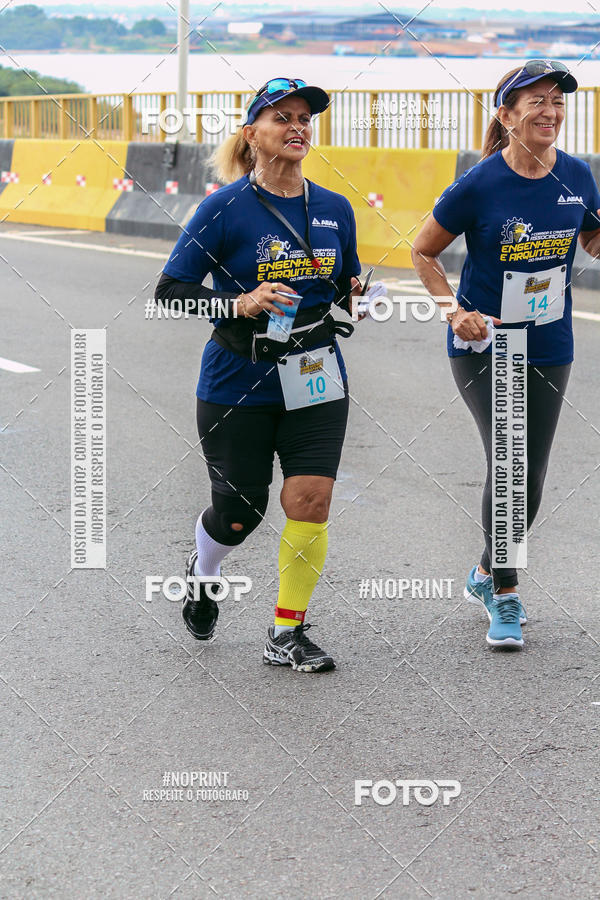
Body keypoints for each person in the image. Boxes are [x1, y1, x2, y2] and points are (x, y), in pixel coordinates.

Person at [155, 77, 380, 672]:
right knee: (240, 513)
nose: (298, 126)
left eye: (305, 117)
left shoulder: (333, 208)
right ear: (253, 134)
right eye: (282, 118)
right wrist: (239, 302)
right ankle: (204, 573)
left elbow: (342, 285)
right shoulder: (223, 208)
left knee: (311, 497)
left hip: (314, 371)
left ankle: (287, 631)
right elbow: (170, 292)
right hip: (238, 378)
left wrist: (357, 293)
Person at [411, 60, 600, 649]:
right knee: (512, 461)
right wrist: (453, 311)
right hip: (485, 340)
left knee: (531, 477)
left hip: (549, 340)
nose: (550, 111)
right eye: (536, 101)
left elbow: (589, 234)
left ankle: (487, 571)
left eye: (558, 102)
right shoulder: (479, 184)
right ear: (506, 115)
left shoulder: (578, 175)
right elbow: (423, 252)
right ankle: (508, 594)